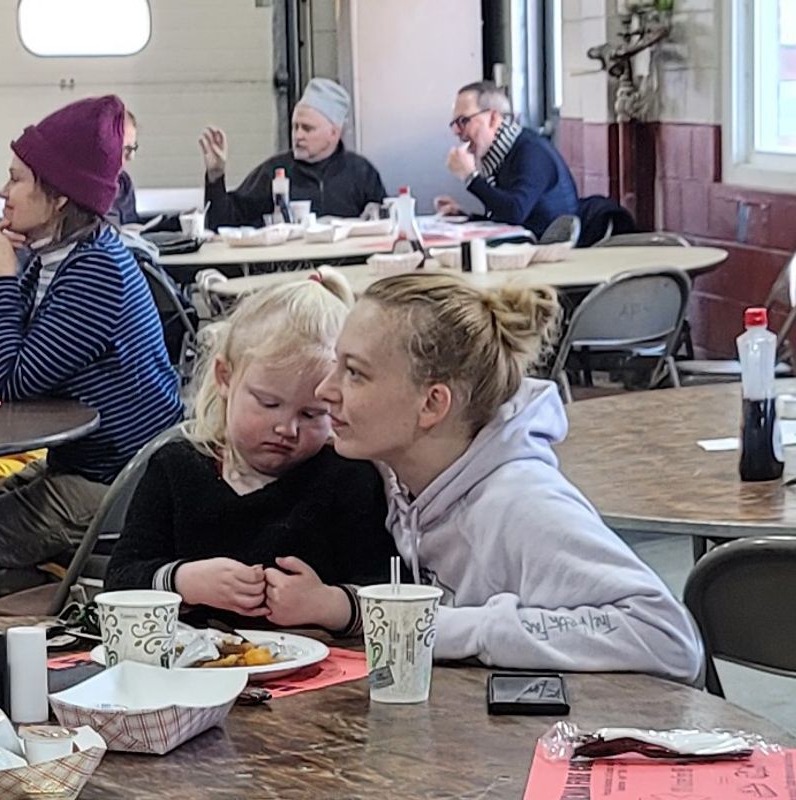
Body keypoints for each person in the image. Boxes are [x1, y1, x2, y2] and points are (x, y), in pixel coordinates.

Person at [316, 272, 703, 683]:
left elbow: (669, 637)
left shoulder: (522, 503)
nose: (325, 389)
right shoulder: (401, 470)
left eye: (355, 373)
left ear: (432, 404)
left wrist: (457, 629)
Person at [0, 95, 184, 608]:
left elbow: (15, 384)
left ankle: (67, 612)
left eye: (15, 179)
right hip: (77, 462)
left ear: (57, 197)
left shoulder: (97, 270)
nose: (2, 192)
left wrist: (3, 283)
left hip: (120, 476)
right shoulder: (47, 259)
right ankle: (57, 596)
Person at [105, 268, 398, 636]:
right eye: (268, 403)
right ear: (226, 378)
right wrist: (183, 580)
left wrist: (326, 603)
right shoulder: (176, 467)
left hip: (325, 675)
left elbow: (391, 596)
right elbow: (118, 583)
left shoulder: (348, 477)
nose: (286, 429)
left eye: (312, 414)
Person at [200, 78, 386, 228]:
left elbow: (384, 224)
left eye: (307, 128)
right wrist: (215, 176)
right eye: (295, 127)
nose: (298, 135)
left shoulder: (362, 173)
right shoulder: (273, 172)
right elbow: (223, 222)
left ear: (334, 133)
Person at [435, 81, 579, 240]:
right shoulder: (498, 157)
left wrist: (471, 178)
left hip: (547, 253)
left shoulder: (532, 152)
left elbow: (515, 213)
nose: (456, 131)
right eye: (454, 124)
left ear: (493, 118)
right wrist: (465, 217)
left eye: (463, 121)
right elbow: (504, 217)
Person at [108, 108, 141, 226]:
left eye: (133, 148)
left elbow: (133, 226)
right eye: (126, 149)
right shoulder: (80, 192)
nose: (131, 157)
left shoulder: (124, 182)